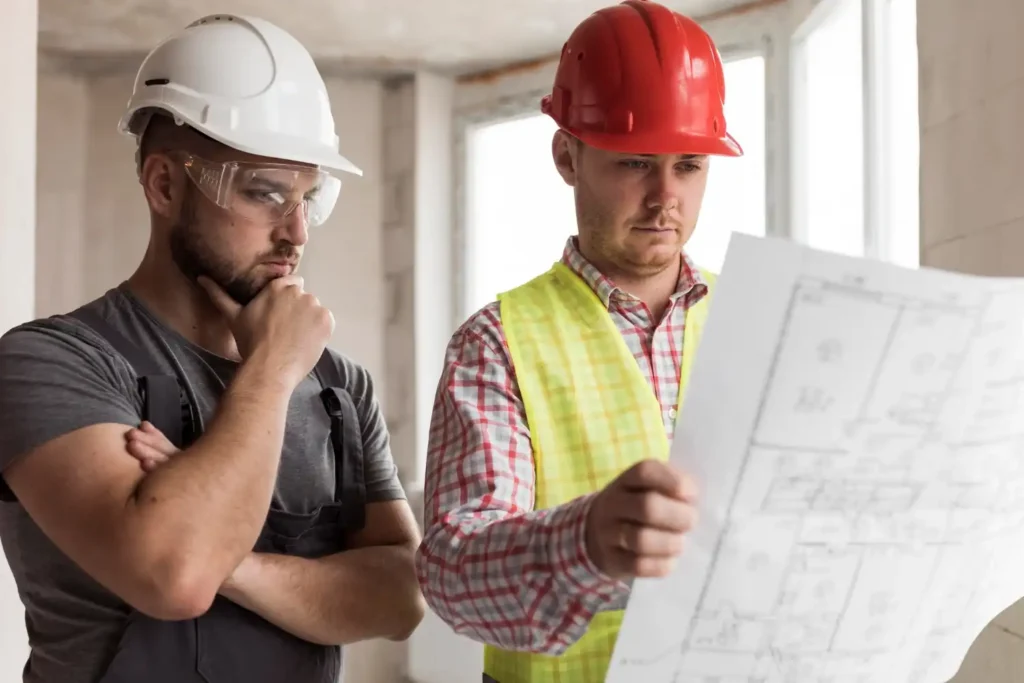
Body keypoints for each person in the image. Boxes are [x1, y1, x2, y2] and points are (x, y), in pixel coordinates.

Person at [0, 13, 424, 683]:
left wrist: (234, 562)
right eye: (266, 193)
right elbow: (175, 576)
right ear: (165, 185)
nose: (296, 233)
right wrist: (272, 370)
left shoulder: (340, 388)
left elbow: (403, 596)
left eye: (309, 198)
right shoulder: (52, 364)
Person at [414, 1, 744, 681]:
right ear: (568, 155)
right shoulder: (496, 343)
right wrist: (585, 543)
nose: (665, 197)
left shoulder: (752, 314)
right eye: (636, 163)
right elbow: (451, 572)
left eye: (688, 165)